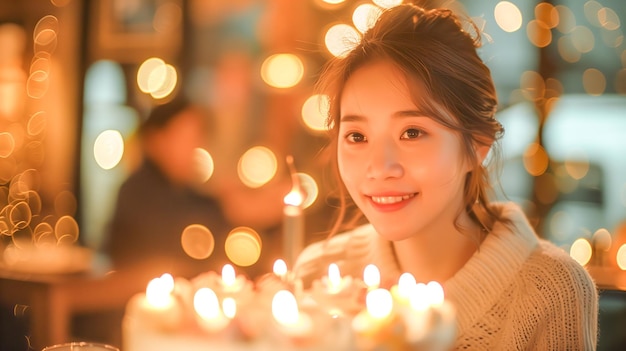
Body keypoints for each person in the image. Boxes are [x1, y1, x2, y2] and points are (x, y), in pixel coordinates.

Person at [293, 3, 598, 350]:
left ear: (476, 146)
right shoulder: (319, 276)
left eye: (412, 133)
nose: (379, 167)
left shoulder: (549, 290)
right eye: (357, 137)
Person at [103, 96, 232, 279]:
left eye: (198, 137)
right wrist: (229, 207)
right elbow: (179, 225)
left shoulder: (184, 190)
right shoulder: (137, 192)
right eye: (186, 137)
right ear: (156, 139)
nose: (194, 147)